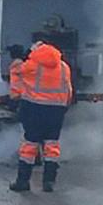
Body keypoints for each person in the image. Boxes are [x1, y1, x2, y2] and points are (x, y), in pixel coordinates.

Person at [9, 40, 73, 193]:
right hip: (56, 110)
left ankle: (23, 182)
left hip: (34, 109)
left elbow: (16, 72)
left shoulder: (31, 66)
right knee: (52, 146)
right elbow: (69, 90)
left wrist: (18, 59)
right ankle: (49, 181)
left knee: (30, 145)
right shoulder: (64, 67)